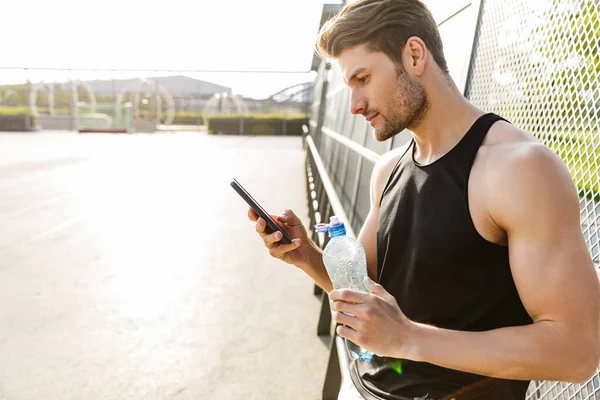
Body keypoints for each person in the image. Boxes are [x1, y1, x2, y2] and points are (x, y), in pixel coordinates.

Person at [247, 0, 600, 399]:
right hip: (362, 387)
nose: (355, 105)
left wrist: (408, 338)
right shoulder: (389, 169)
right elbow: (366, 293)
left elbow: (577, 352)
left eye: (363, 78)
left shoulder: (521, 170)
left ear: (414, 55)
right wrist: (306, 255)